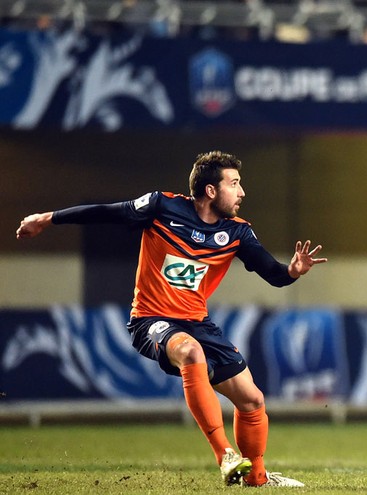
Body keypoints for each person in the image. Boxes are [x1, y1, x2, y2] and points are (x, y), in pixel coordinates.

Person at [16, 151, 327, 487]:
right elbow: (107, 213)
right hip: (151, 321)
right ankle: (224, 455)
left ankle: (257, 477)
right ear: (211, 191)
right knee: (191, 352)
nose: (242, 193)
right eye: (234, 184)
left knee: (252, 400)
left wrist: (293, 271)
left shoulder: (237, 232)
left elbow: (274, 274)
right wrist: (47, 218)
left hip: (198, 322)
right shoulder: (161, 207)